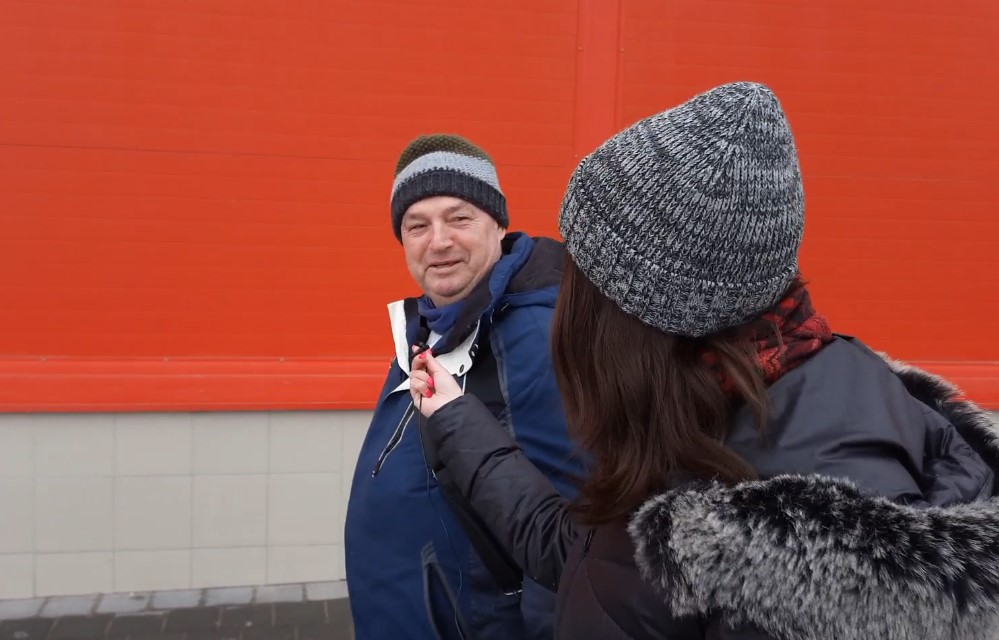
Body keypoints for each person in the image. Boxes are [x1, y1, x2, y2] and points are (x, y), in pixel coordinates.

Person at [408, 82, 999, 640]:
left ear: (635, 319)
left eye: (578, 279)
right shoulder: (793, 396)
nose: (564, 299)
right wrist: (459, 422)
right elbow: (594, 561)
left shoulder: (779, 569)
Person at [345, 134, 582, 640]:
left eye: (459, 218)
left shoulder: (535, 336)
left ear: (498, 224)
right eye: (417, 226)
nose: (438, 242)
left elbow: (569, 547)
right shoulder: (434, 326)